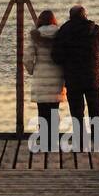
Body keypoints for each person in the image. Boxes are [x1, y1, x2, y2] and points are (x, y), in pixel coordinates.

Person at [52, 4, 99, 148]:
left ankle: (80, 142)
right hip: (92, 79)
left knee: (77, 113)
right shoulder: (94, 29)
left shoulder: (64, 31)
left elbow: (56, 56)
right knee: (96, 111)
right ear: (85, 15)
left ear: (70, 16)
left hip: (73, 79)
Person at [25, 10, 65, 149]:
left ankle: (44, 141)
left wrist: (32, 70)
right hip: (57, 76)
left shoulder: (35, 35)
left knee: (42, 112)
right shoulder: (60, 34)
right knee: (54, 111)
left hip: (41, 77)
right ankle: (53, 141)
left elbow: (27, 57)